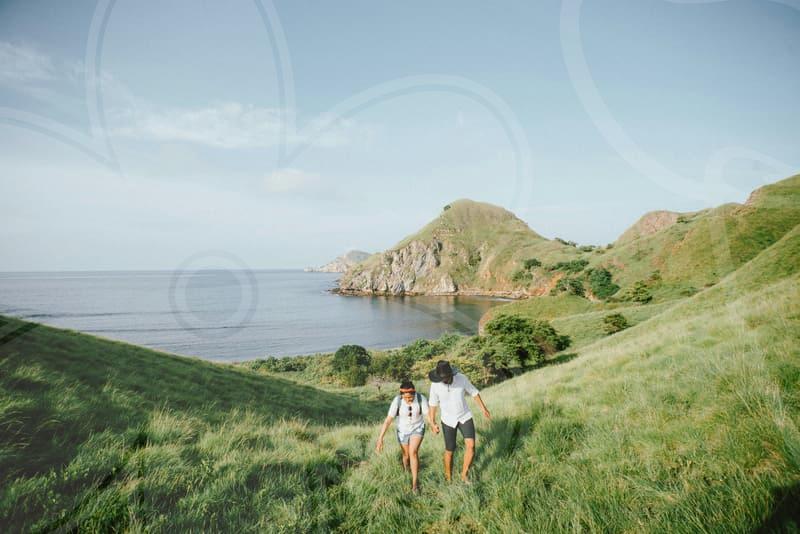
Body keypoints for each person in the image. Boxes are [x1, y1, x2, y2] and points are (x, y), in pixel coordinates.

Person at [427, 360, 490, 483]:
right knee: (450, 451)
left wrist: (484, 409)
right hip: (448, 420)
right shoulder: (435, 385)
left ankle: (464, 475)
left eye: (446, 377)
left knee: (471, 446)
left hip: (464, 416)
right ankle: (449, 478)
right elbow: (432, 405)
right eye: (442, 378)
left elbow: (474, 392)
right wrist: (432, 423)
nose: (444, 380)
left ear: (451, 374)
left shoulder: (461, 378)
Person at [375, 380, 431, 493]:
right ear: (402, 395)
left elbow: (427, 415)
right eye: (406, 398)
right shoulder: (397, 401)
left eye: (411, 398)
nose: (409, 400)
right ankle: (406, 470)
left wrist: (433, 425)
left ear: (414, 393)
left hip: (417, 428)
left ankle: (415, 483)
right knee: (406, 456)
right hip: (402, 430)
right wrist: (380, 438)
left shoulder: (421, 398)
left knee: (413, 452)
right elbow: (388, 420)